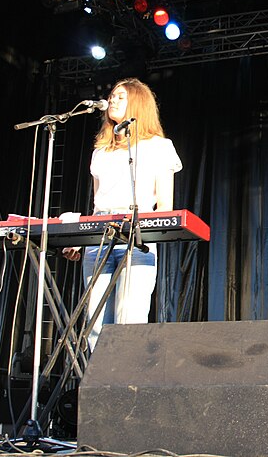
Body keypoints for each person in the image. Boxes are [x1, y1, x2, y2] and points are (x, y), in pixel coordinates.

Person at [63, 78, 182, 351]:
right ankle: (98, 387)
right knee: (95, 324)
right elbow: (97, 206)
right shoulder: (100, 152)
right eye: (112, 95)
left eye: (120, 96)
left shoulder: (159, 147)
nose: (112, 100)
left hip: (137, 238)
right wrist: (80, 239)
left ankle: (124, 389)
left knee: (129, 320)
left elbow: (164, 205)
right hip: (99, 240)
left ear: (138, 104)